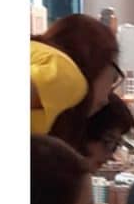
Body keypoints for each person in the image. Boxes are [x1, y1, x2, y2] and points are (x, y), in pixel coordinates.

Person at [31, 14, 124, 148]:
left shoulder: (42, 55)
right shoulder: (68, 76)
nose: (108, 96)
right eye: (114, 77)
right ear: (99, 60)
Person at [80, 92, 134, 204]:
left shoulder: (79, 176)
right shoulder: (55, 174)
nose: (110, 155)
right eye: (108, 142)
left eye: (115, 145)